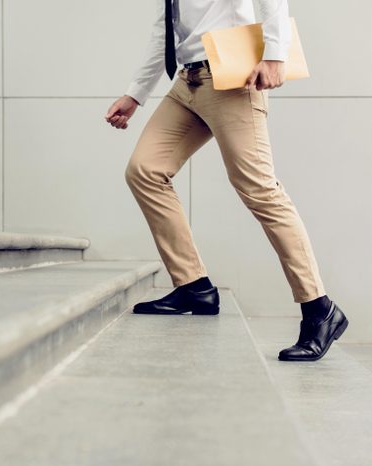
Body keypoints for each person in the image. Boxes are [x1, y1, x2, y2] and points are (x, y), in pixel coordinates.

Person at [104, 0, 348, 362]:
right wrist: (135, 94)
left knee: (260, 190)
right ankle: (193, 286)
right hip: (187, 83)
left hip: (232, 76)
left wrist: (275, 54)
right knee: (145, 170)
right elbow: (165, 32)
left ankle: (320, 309)